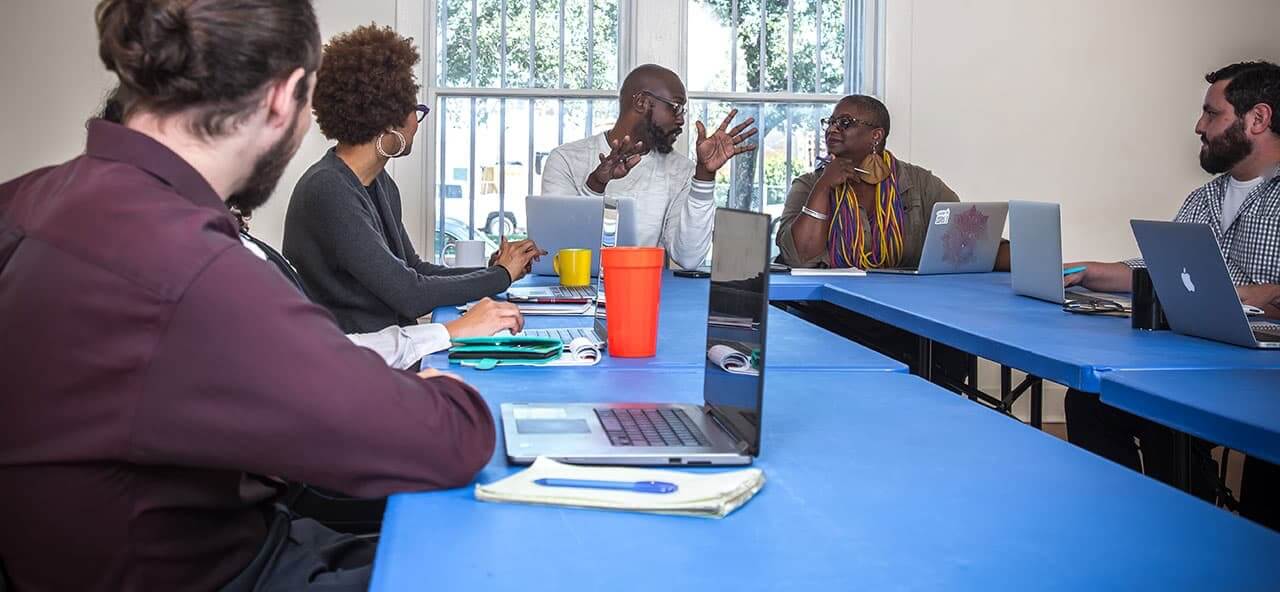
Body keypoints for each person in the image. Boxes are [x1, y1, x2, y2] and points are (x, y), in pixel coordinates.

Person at [0, 2, 495, 590]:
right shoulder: (193, 264)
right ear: (285, 97)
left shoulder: (25, 203)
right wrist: (450, 389)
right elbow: (452, 439)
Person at [1062, 61, 1280, 528]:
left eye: (1211, 113)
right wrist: (1082, 271)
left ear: (1257, 119)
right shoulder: (1206, 197)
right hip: (1198, 364)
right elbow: (1161, 271)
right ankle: (1132, 528)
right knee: (1092, 402)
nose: (1199, 126)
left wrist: (1240, 294)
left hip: (1265, 381)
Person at [284, 25, 543, 334]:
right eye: (416, 111)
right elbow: (410, 295)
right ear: (389, 117)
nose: (416, 125)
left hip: (391, 348)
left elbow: (414, 271)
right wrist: (501, 276)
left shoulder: (380, 185)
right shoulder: (328, 190)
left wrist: (493, 270)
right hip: (355, 362)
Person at [540, 64, 758, 270]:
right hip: (573, 296)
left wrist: (705, 175)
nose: (681, 120)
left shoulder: (682, 170)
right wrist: (596, 183)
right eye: (676, 107)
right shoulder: (566, 159)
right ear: (642, 102)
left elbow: (689, 258)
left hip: (643, 292)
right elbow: (559, 250)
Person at [777, 94, 1010, 271]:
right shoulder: (809, 185)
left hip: (903, 309)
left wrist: (1031, 261)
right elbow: (799, 258)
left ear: (876, 136)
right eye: (830, 122)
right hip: (829, 311)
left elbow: (973, 246)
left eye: (845, 122)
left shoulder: (920, 184)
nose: (832, 129)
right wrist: (824, 186)